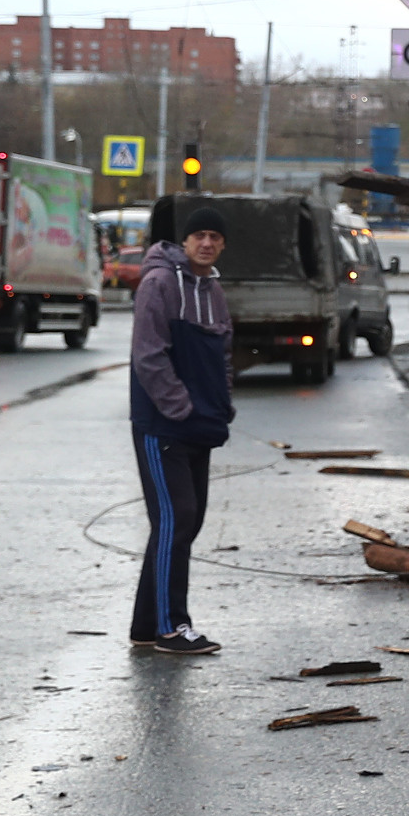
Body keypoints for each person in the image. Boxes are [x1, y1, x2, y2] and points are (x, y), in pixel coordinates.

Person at [128, 203, 234, 653]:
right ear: (184, 241)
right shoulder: (159, 284)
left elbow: (222, 353)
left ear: (222, 244)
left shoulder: (212, 288)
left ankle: (146, 627)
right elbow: (149, 356)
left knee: (183, 522)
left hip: (199, 423)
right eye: (199, 236)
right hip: (163, 425)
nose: (206, 243)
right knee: (176, 518)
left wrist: (220, 403)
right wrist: (181, 408)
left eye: (214, 237)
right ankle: (173, 629)